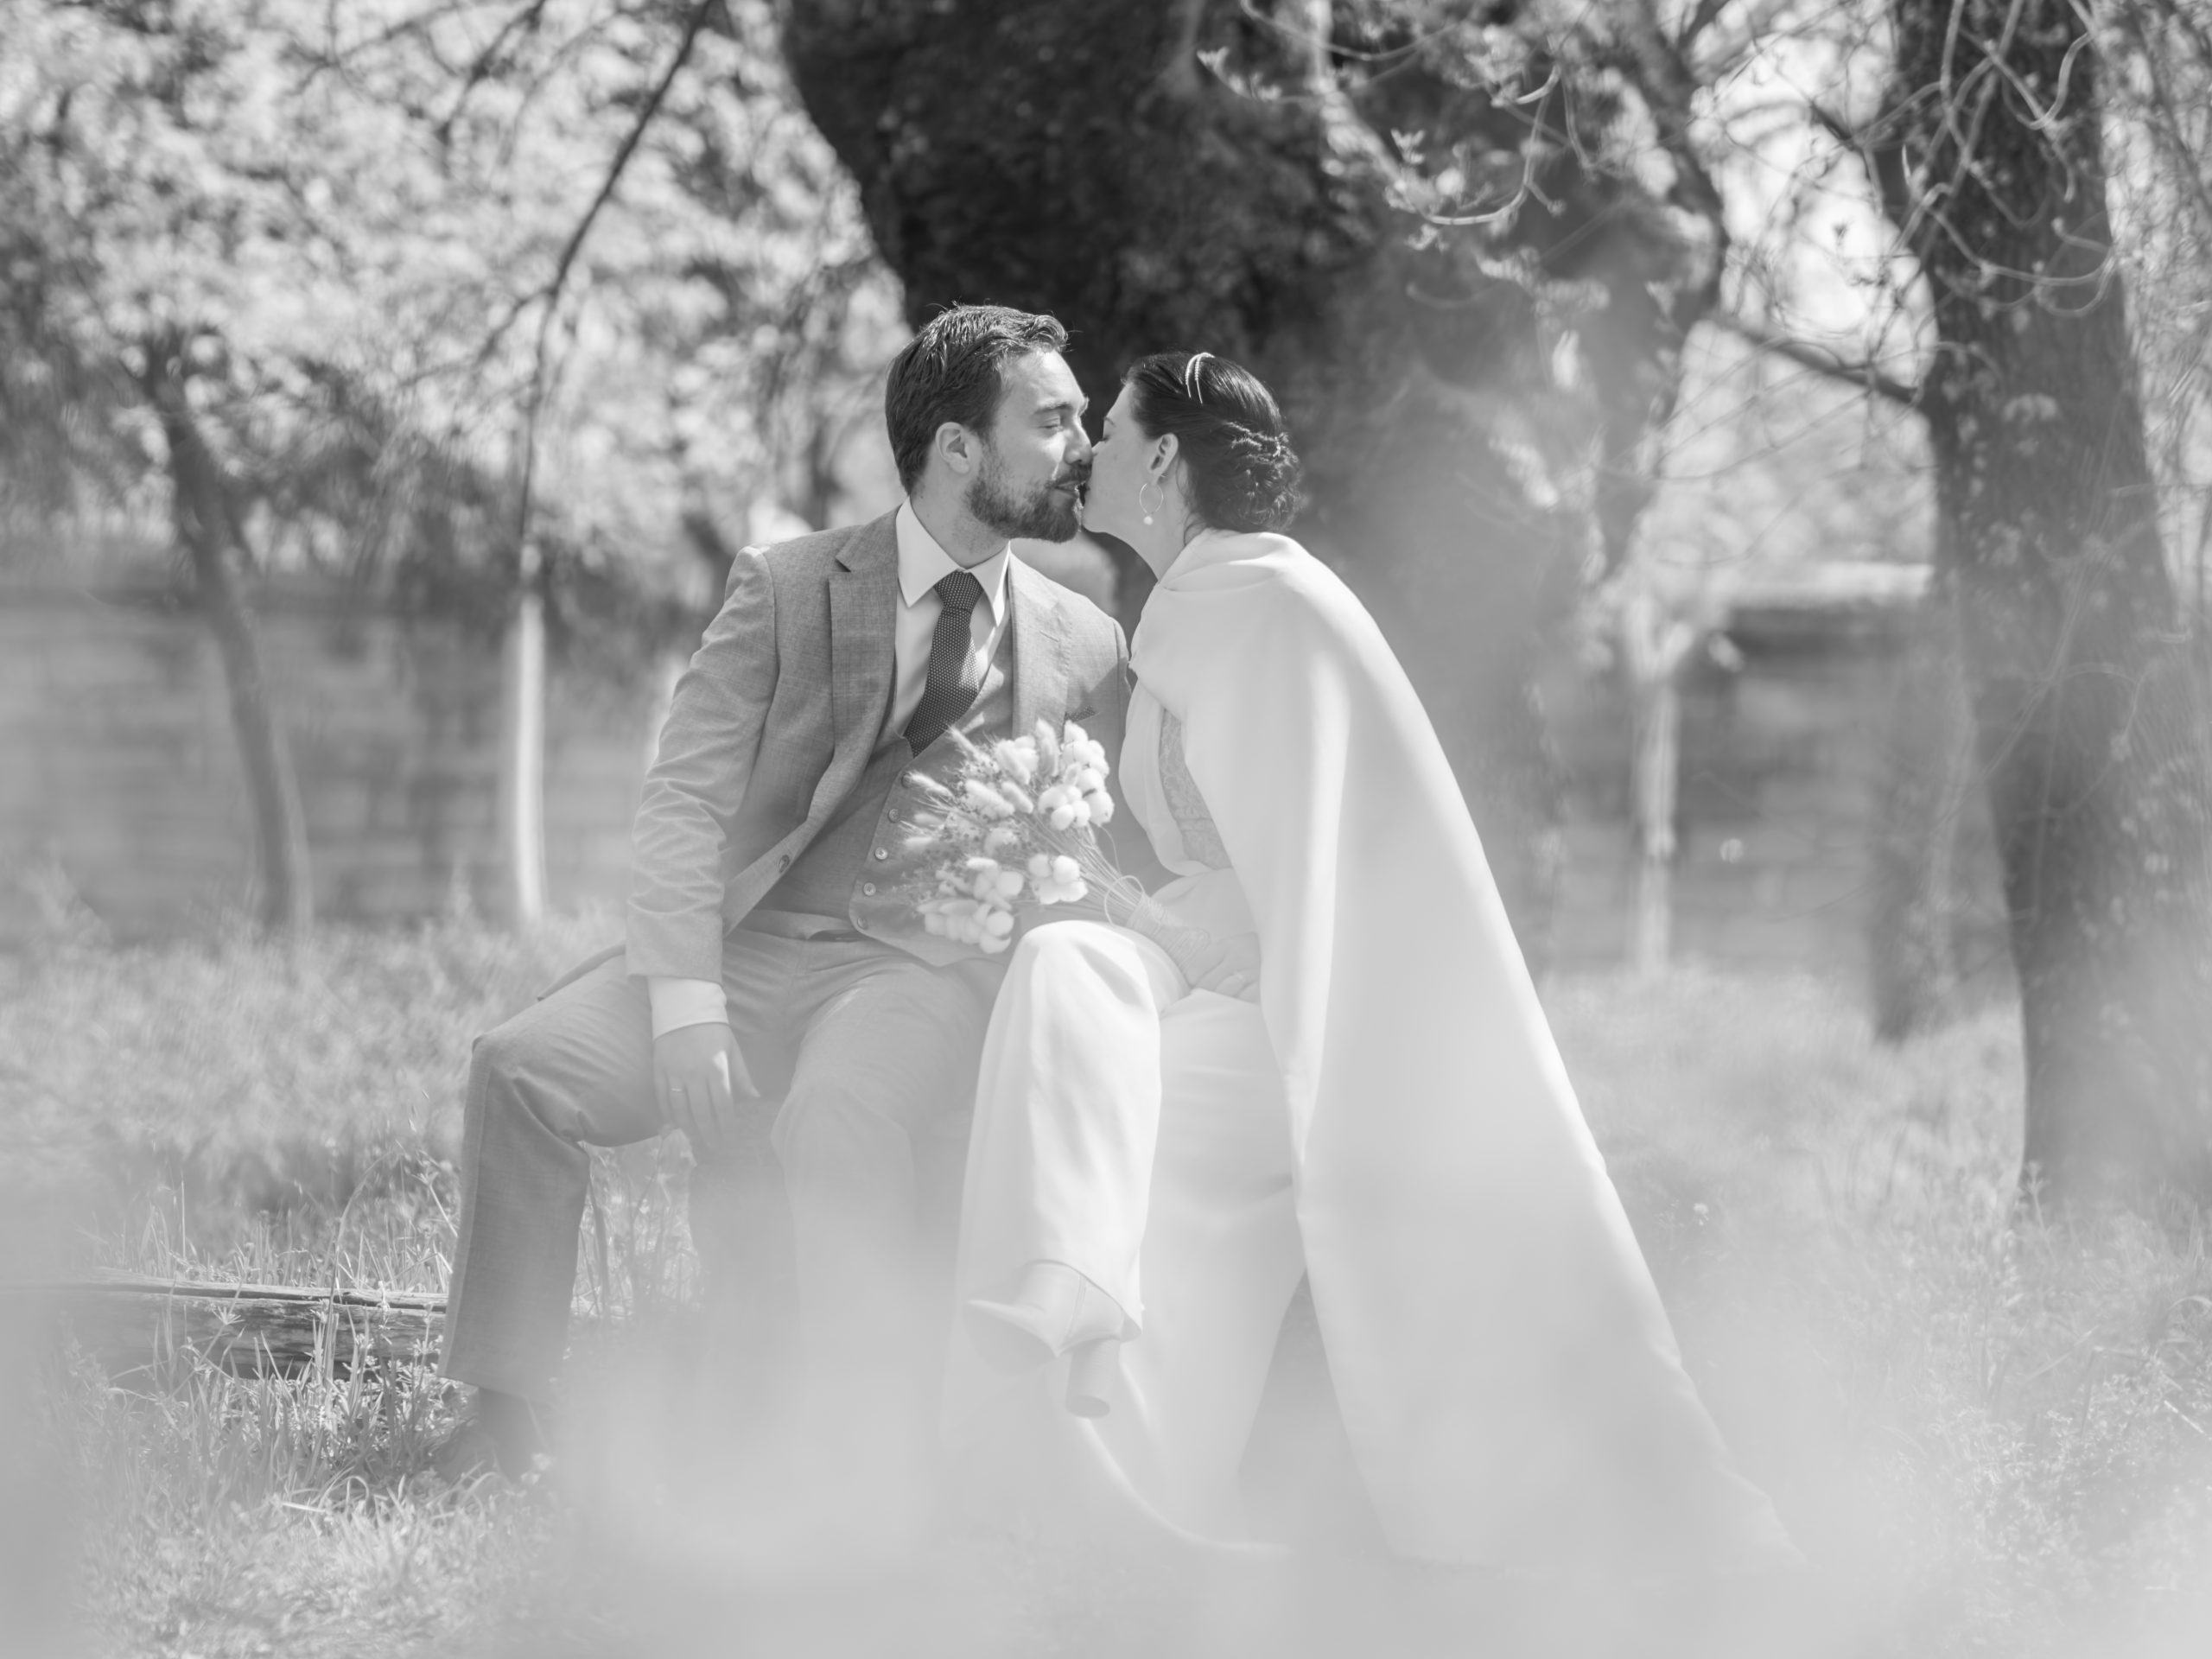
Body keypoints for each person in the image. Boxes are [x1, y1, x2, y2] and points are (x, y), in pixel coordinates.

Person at [944, 350, 1798, 1574]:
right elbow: (1230, 864)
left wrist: (1182, 927)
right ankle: (1064, 1287)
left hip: (1313, 1009)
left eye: (1111, 432)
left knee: (1160, 1131)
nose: (1086, 453)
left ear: (1167, 460)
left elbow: (1323, 876)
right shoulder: (1181, 604)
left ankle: (1118, 1498)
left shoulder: (1274, 601)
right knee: (1061, 968)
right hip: (1214, 963)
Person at [432, 305, 1141, 1502]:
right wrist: (687, 1006)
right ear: (959, 449)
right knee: (520, 1067)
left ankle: (855, 1437)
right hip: (748, 947)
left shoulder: (1086, 639)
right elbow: (683, 805)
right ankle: (502, 1415)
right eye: (1054, 420)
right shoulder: (790, 585)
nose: (1080, 444)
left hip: (908, 977)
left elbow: (1097, 850)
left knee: (839, 1115)